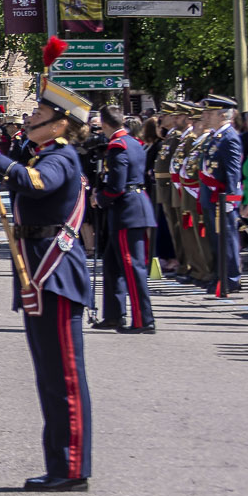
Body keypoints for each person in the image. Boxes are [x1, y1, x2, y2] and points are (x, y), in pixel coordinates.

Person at [0, 82, 93, 491]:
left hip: (55, 273)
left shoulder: (61, 157)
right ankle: (60, 464)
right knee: (48, 376)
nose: (32, 116)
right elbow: (21, 170)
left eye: (40, 113)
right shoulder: (45, 152)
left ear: (59, 126)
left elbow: (35, 182)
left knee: (64, 376)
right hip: (39, 269)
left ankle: (71, 468)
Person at [93, 104, 154, 333]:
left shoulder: (117, 146)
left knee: (131, 266)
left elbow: (117, 185)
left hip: (127, 210)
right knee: (111, 265)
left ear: (106, 123)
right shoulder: (133, 142)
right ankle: (113, 314)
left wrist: (99, 198)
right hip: (131, 207)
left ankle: (143, 320)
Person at [198, 94, 242, 297]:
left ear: (222, 115)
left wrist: (231, 200)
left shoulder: (230, 137)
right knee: (216, 240)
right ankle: (220, 275)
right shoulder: (215, 136)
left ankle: (231, 278)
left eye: (209, 113)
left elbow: (233, 171)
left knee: (228, 238)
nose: (205, 116)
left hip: (222, 197)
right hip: (211, 195)